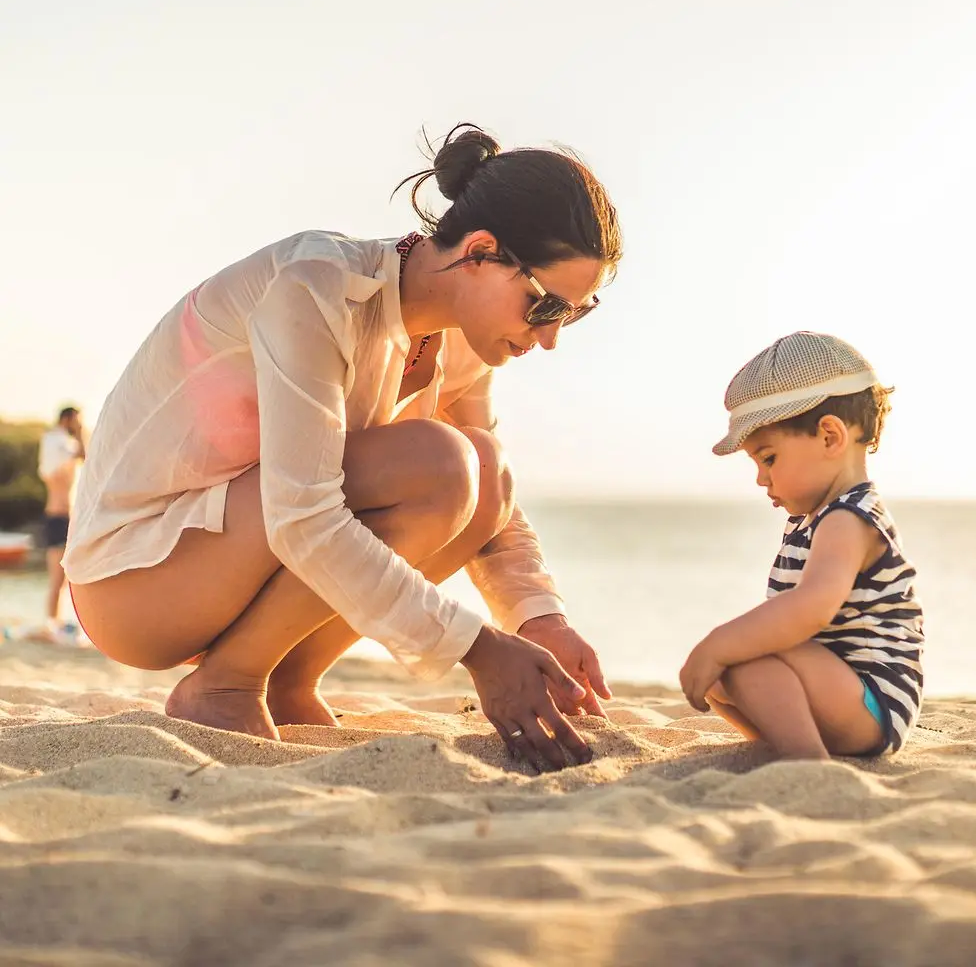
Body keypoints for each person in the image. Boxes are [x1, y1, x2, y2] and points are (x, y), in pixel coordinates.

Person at [64, 124, 621, 772]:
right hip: (134, 581)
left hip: (235, 560)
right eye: (545, 306)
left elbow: (492, 505)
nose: (549, 338)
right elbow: (305, 515)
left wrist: (537, 619)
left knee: (484, 472)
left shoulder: (466, 339)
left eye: (573, 314)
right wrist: (480, 650)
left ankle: (285, 681)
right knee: (439, 465)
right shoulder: (318, 285)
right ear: (479, 251)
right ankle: (225, 685)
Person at [679, 332, 924, 758]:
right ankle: (788, 744)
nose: (761, 478)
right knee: (727, 674)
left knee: (746, 655)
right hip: (837, 694)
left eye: (769, 458)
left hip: (873, 703)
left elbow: (811, 608)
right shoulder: (816, 519)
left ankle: (807, 762)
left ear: (830, 437)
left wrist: (718, 642)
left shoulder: (849, 518)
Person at [35, 405, 85, 640]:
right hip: (57, 517)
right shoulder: (58, 443)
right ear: (67, 419)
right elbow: (83, 454)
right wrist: (80, 430)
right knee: (57, 577)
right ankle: (51, 624)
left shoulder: (61, 444)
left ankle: (58, 622)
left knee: (66, 578)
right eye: (75, 420)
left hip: (66, 518)